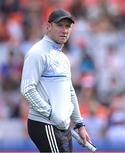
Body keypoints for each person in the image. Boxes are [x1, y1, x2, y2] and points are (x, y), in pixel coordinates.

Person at [20, 9, 91, 152]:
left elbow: (70, 92)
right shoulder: (37, 53)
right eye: (60, 25)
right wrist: (51, 115)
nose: (64, 30)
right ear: (48, 27)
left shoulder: (63, 58)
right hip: (44, 124)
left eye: (68, 26)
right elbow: (27, 89)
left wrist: (79, 124)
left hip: (61, 125)